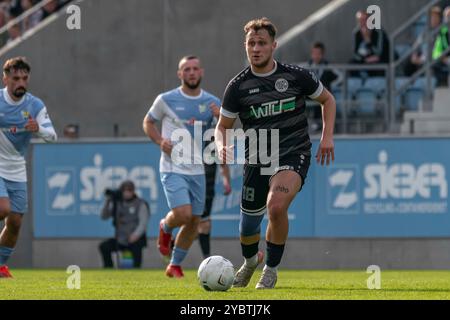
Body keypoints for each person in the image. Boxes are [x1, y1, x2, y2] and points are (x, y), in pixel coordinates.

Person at [215, 18, 336, 289]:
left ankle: (270, 268)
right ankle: (249, 262)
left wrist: (327, 137)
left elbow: (327, 99)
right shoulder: (237, 87)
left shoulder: (295, 76)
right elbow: (222, 126)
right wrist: (221, 144)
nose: (256, 48)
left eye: (261, 43)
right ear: (245, 46)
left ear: (273, 45)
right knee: (248, 229)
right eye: (251, 43)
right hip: (257, 159)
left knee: (276, 206)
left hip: (293, 153)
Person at [143, 55, 219, 278]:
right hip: (172, 167)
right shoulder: (166, 100)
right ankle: (166, 227)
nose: (192, 73)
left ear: (201, 72)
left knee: (195, 221)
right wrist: (160, 141)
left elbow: (221, 133)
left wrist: (222, 119)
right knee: (183, 214)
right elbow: (148, 122)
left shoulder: (213, 102)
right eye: (187, 69)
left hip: (199, 169)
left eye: (195, 69)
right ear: (180, 74)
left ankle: (174, 264)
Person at [0, 57, 57, 278]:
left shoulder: (35, 105)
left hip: (16, 169)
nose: (20, 82)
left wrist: (38, 129)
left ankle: (1, 265)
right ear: (6, 79)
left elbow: (52, 136)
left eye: (24, 78)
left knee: (14, 222)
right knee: (3, 209)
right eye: (16, 78)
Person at [99, 180, 150, 269]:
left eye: (129, 190)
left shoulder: (140, 204)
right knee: (104, 246)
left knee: (137, 254)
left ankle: (136, 271)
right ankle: (108, 268)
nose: (127, 193)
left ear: (133, 191)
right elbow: (104, 216)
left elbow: (143, 223)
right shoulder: (117, 203)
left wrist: (135, 235)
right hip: (120, 239)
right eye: (124, 191)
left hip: (135, 239)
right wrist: (108, 201)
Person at [198, 156, 231, 259]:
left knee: (204, 224)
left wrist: (226, 180)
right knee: (190, 221)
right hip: (191, 185)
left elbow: (223, 162)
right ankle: (171, 246)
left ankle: (207, 260)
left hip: (207, 189)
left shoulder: (214, 141)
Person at [350, 10, 390, 77]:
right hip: (364, 60)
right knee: (351, 64)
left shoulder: (378, 31)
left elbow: (379, 52)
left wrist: (368, 40)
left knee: (379, 66)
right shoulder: (356, 33)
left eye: (365, 20)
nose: (363, 23)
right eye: (360, 21)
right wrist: (364, 60)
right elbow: (355, 53)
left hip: (379, 59)